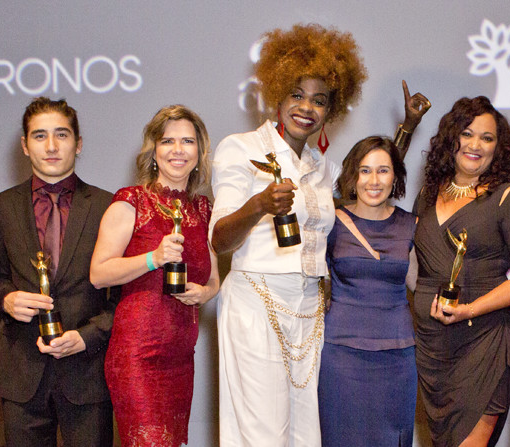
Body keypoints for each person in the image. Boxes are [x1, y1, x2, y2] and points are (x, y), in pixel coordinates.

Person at [209, 23, 368, 446]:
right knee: (263, 435)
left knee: (303, 436)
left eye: (319, 100)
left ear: (331, 110)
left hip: (309, 311)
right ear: (277, 92)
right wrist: (258, 205)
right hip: (256, 302)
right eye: (297, 94)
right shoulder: (240, 149)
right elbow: (220, 239)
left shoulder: (322, 166)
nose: (306, 108)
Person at [412, 96, 510, 446]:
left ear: (498, 148)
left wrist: (470, 309)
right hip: (432, 348)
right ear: (450, 138)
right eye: (467, 134)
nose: (475, 145)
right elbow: (416, 268)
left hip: (485, 343)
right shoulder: (428, 194)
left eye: (486, 138)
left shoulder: (508, 198)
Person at [0, 97, 117, 446]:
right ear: (25, 146)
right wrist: (7, 298)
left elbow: (122, 297)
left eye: (62, 134)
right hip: (22, 372)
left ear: (79, 142)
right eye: (40, 136)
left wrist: (87, 336)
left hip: (88, 373)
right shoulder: (0, 206)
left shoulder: (110, 206)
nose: (52, 146)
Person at [90, 105, 220, 446]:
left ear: (200, 151)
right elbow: (99, 274)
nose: (178, 150)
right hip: (138, 354)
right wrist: (153, 258)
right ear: (154, 151)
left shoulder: (205, 208)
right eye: (168, 141)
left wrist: (204, 293)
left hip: (181, 355)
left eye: (187, 141)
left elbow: (214, 280)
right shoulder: (130, 201)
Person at [317, 136, 418, 446]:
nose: (374, 181)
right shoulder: (330, 222)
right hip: (340, 356)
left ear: (396, 177)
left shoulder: (411, 225)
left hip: (397, 357)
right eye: (365, 171)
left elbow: (420, 285)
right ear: (352, 176)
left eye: (383, 171)